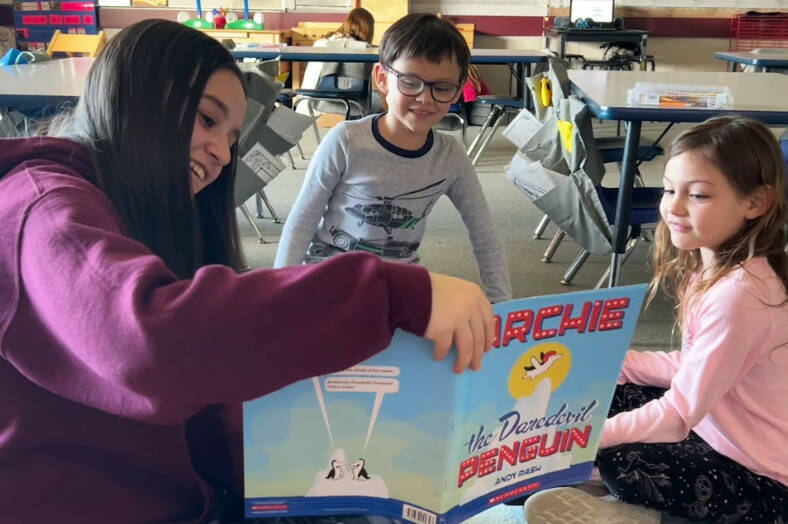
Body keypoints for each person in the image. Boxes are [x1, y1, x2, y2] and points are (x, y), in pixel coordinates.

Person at [0, 19, 497, 524]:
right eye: (207, 120)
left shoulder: (133, 209)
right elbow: (154, 344)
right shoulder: (46, 209)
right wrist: (395, 293)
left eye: (232, 138)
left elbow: (205, 394)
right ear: (137, 97)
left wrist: (272, 477)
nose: (221, 152)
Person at [524, 117, 788, 523]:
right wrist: (614, 363)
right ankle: (597, 486)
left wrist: (584, 440)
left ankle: (634, 515)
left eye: (698, 195)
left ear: (755, 203)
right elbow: (692, 367)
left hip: (762, 479)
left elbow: (679, 413)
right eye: (669, 190)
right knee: (600, 395)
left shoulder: (741, 294)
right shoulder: (715, 269)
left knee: (622, 455)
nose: (674, 208)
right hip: (713, 431)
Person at [275, 14, 513, 304]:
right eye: (411, 82)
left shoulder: (451, 157)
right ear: (382, 78)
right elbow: (303, 219)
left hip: (399, 284)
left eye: (442, 88)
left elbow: (484, 233)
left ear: (457, 90)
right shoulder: (346, 140)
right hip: (331, 277)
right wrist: (281, 292)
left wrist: (501, 303)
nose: (425, 99)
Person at [298, 7, 376, 118]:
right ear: (368, 29)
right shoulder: (365, 49)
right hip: (354, 106)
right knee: (377, 101)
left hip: (310, 102)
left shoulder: (322, 43)